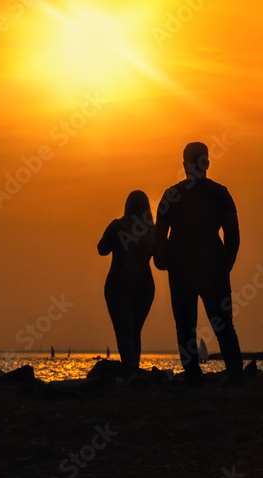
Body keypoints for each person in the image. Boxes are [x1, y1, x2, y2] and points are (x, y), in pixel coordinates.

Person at [155, 142, 244, 386]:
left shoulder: (172, 195)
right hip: (212, 265)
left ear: (184, 164)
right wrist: (227, 263)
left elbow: (160, 234)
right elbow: (233, 233)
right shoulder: (220, 193)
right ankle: (236, 375)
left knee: (185, 326)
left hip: (182, 269)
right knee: (223, 324)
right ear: (206, 162)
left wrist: (163, 260)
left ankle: (194, 376)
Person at [97, 190, 156, 375]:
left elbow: (101, 249)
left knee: (125, 331)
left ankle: (131, 370)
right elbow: (162, 264)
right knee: (135, 332)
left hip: (119, 284)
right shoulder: (153, 232)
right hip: (144, 286)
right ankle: (133, 370)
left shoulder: (118, 226)